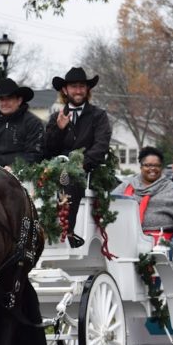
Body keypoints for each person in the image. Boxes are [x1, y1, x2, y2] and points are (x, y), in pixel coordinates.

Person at [44, 67, 112, 247]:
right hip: (58, 169)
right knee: (39, 181)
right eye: (73, 87)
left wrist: (82, 163)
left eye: (82, 86)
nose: (78, 91)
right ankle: (40, 232)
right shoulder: (56, 117)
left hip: (87, 171)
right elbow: (48, 149)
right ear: (65, 90)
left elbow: (101, 146)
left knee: (71, 178)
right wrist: (59, 129)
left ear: (87, 89)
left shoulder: (98, 116)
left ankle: (68, 231)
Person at [113, 147, 173, 244]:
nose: (152, 168)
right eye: (148, 165)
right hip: (126, 238)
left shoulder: (172, 189)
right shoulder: (127, 186)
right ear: (141, 167)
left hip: (162, 241)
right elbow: (111, 203)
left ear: (161, 168)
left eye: (157, 165)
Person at [0, 77, 44, 170]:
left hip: (22, 174)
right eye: (1, 99)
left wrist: (14, 168)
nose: (4, 103)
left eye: (9, 99)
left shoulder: (33, 123)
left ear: (19, 100)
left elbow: (34, 154)